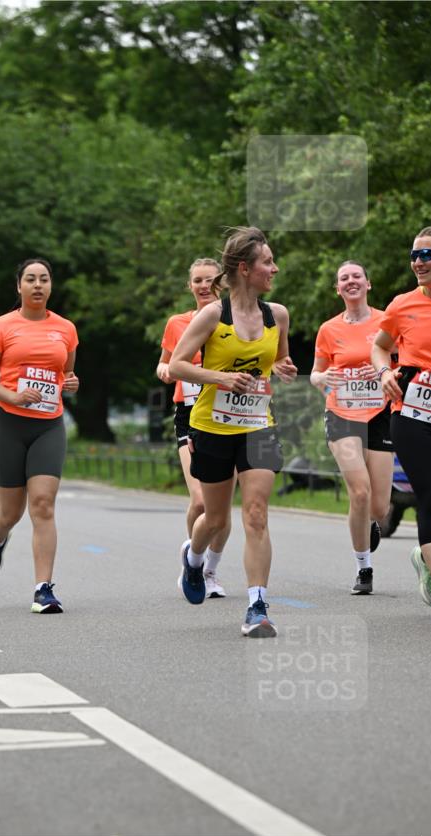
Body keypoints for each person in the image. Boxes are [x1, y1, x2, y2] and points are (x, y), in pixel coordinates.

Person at [169, 227, 297, 637]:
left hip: (258, 424)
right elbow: (177, 365)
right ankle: (193, 557)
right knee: (215, 518)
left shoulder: (277, 315)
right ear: (245, 268)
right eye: (267, 262)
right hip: (211, 425)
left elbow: (278, 359)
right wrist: (219, 378)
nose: (274, 268)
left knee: (256, 514)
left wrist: (282, 368)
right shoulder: (213, 315)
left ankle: (257, 606)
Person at [0, 258, 79, 614]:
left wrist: (71, 383)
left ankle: (43, 588)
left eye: (44, 279)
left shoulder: (66, 328)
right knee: (10, 512)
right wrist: (12, 396)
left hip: (49, 425)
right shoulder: (3, 326)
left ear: (51, 286)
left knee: (43, 504)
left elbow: (65, 374)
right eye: (30, 279)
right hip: (8, 424)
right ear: (18, 286)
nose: (38, 285)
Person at [310, 261, 392, 595]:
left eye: (356, 276)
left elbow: (402, 359)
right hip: (342, 414)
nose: (351, 281)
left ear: (368, 284)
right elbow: (316, 373)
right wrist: (321, 379)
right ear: (338, 289)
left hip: (380, 414)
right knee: (359, 491)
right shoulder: (329, 329)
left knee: (379, 506)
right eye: (344, 278)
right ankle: (364, 568)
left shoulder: (387, 321)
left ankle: (369, 522)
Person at [372, 225, 431, 618]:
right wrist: (384, 372)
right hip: (413, 413)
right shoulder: (402, 305)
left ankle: (426, 560)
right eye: (414, 255)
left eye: (428, 254)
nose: (418, 262)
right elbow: (380, 346)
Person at [157, 258, 231, 598]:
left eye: (210, 280)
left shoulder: (234, 321)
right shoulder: (177, 322)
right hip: (189, 413)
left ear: (222, 282)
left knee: (222, 506)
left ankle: (210, 571)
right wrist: (164, 370)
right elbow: (166, 360)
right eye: (198, 280)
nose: (204, 286)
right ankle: (194, 564)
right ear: (190, 286)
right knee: (201, 500)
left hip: (226, 414)